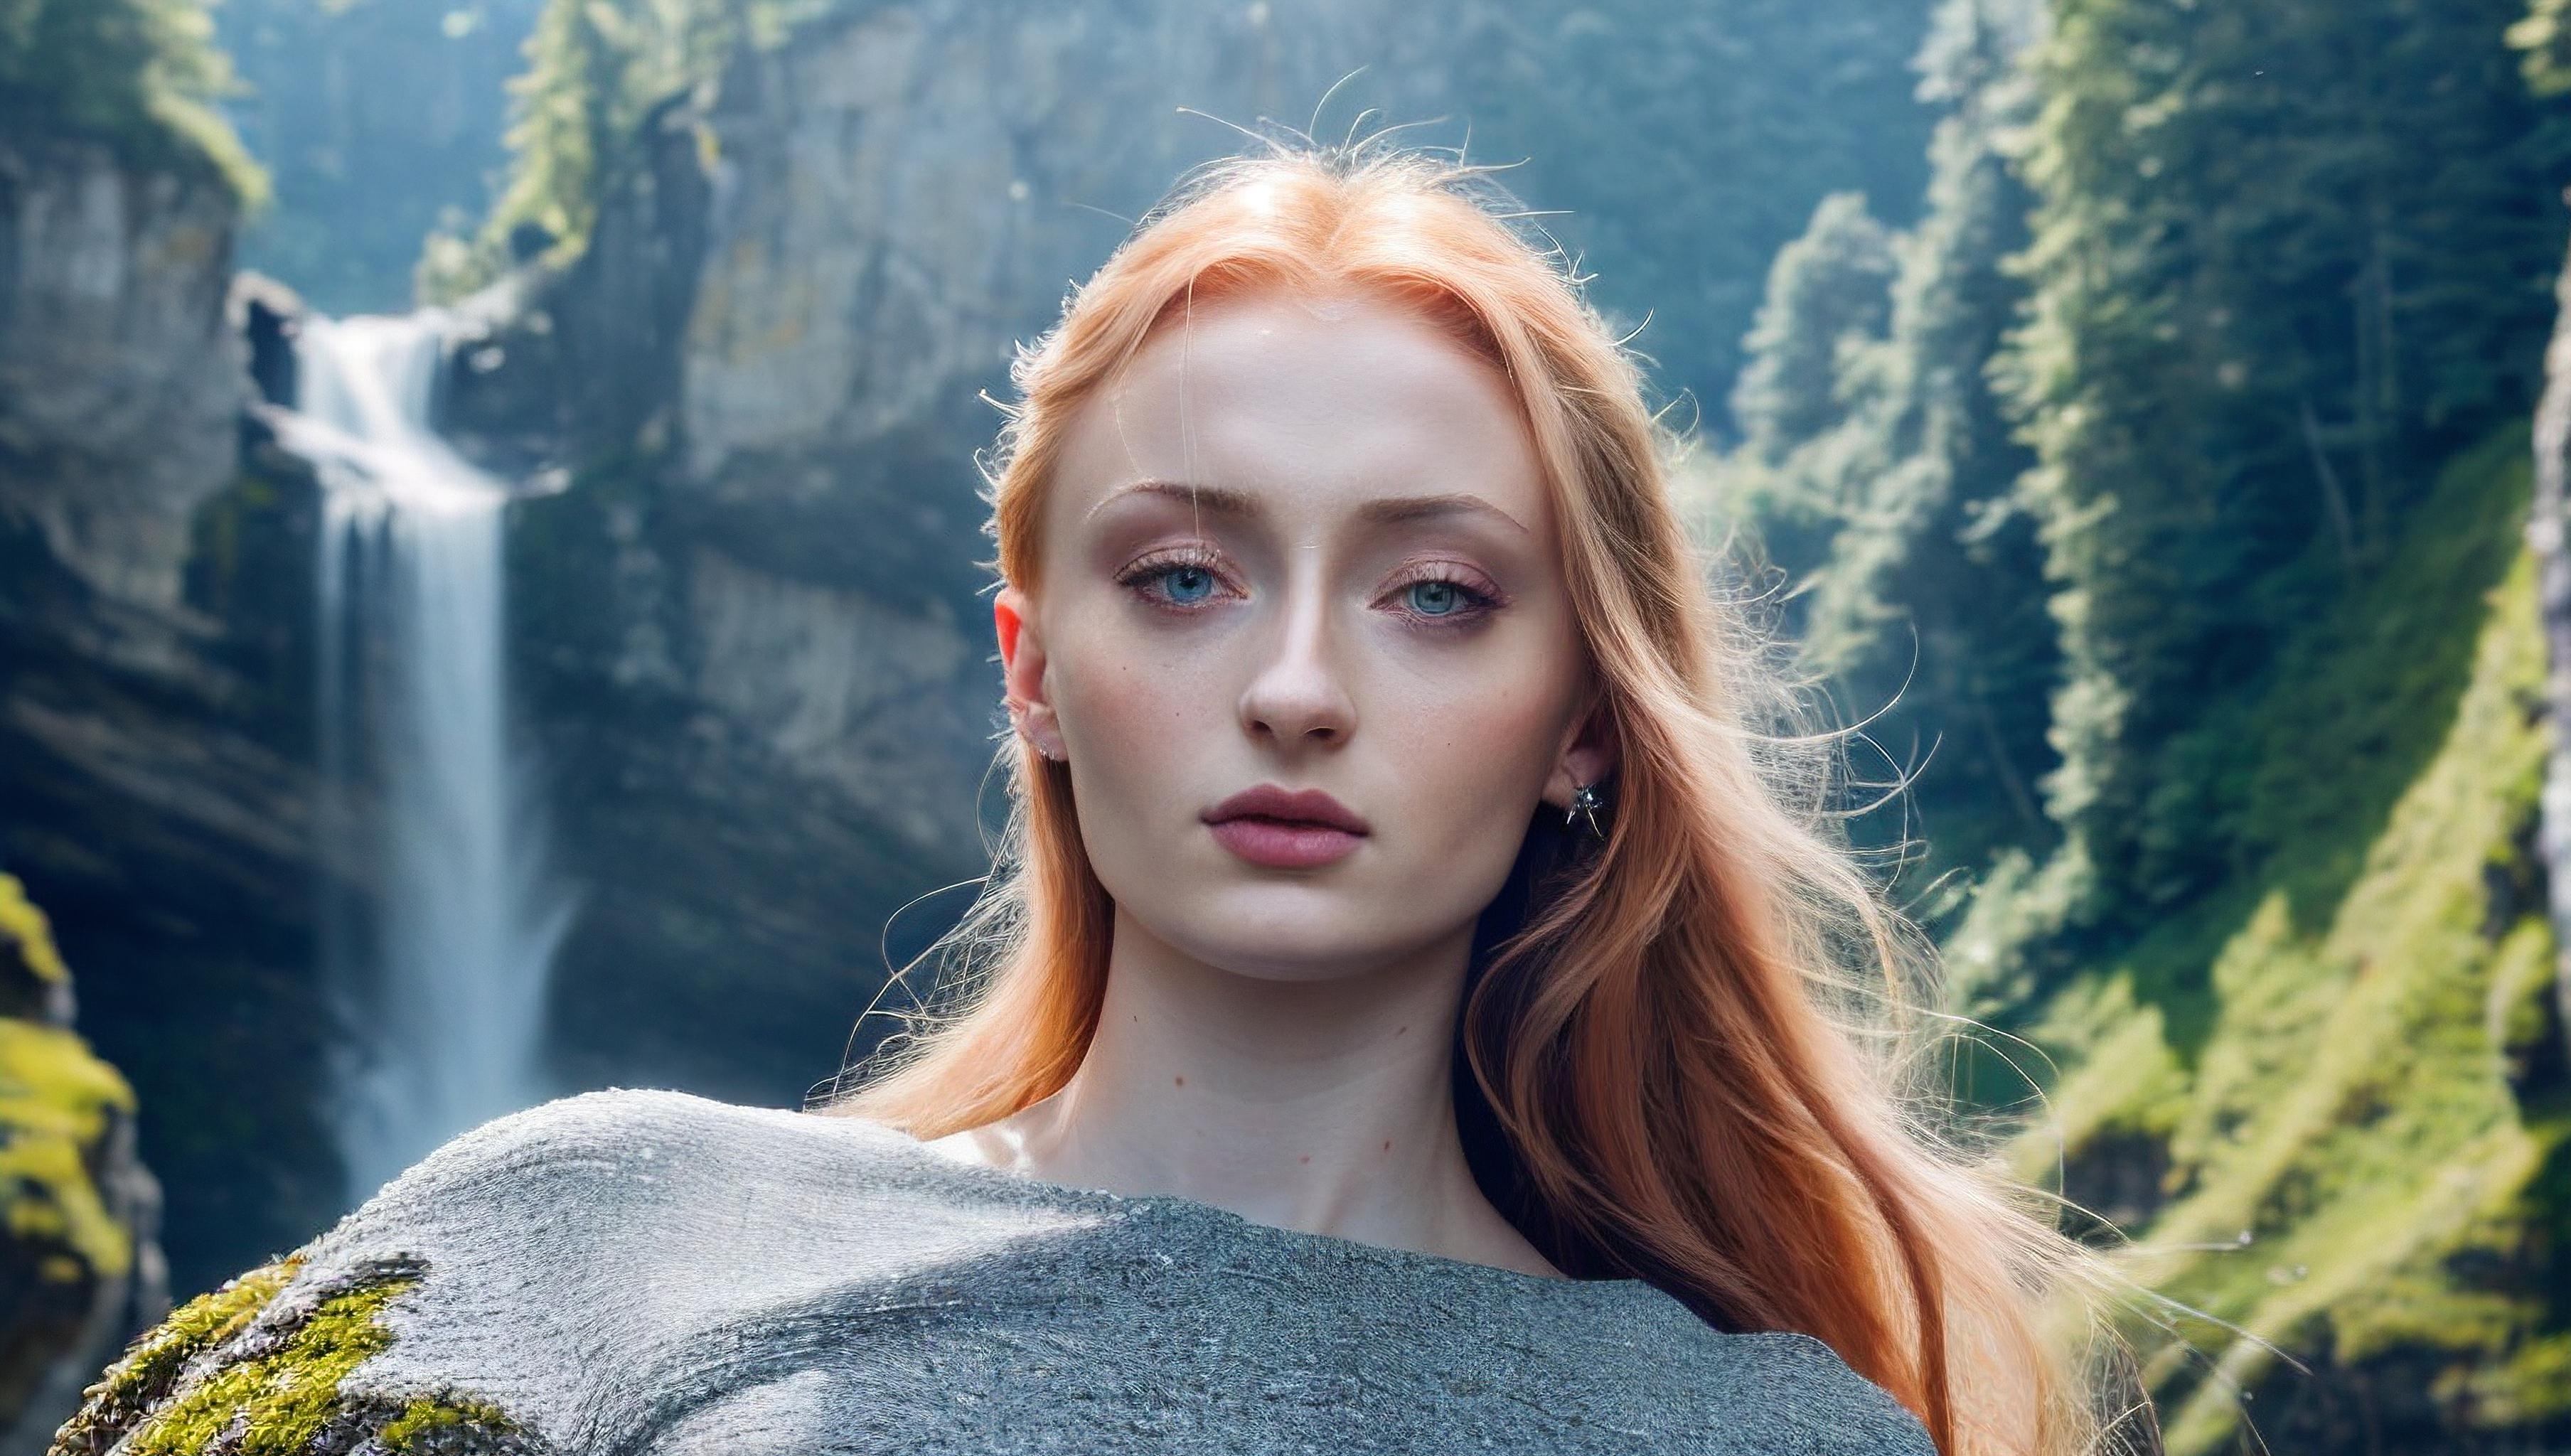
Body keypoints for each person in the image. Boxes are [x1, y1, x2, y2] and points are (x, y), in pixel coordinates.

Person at [48, 139, 2143, 1456]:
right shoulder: (598, 1243)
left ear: (1587, 720)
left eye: (1436, 594)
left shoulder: (1765, 1441)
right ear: (1035, 671)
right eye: (1186, 578)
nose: (1299, 688)